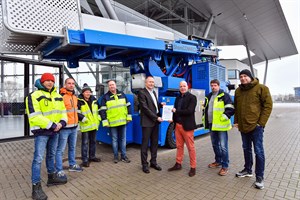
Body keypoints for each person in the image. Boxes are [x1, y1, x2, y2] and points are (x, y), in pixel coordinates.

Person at [26, 73, 68, 200]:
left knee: (51, 155)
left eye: (52, 80)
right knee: (38, 159)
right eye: (47, 80)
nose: (50, 82)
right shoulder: (34, 96)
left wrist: (61, 123)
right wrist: (52, 125)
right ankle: (36, 187)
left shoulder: (57, 96)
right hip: (42, 132)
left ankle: (51, 177)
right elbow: (34, 116)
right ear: (42, 82)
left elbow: (63, 112)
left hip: (55, 131)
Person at [234, 69, 273, 189]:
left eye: (245, 76)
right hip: (243, 126)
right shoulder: (238, 91)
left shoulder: (262, 88)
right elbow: (236, 107)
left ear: (251, 77)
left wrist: (261, 123)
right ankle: (247, 170)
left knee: (258, 151)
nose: (243, 78)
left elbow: (268, 106)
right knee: (246, 149)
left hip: (256, 127)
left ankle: (259, 177)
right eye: (241, 76)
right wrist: (236, 121)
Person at [203, 79, 234, 176]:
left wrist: (224, 116)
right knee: (215, 145)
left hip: (221, 125)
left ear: (219, 86)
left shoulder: (224, 95)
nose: (213, 87)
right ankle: (218, 161)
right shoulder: (208, 96)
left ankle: (225, 166)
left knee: (223, 147)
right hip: (211, 124)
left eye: (215, 85)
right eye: (212, 85)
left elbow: (231, 108)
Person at [167, 81, 197, 177]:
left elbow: (189, 111)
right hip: (178, 126)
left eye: (184, 86)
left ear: (187, 87)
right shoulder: (178, 98)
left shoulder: (192, 97)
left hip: (187, 127)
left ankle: (193, 167)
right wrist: (172, 118)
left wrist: (177, 111)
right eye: (180, 86)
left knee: (190, 148)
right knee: (179, 146)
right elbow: (175, 111)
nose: (182, 88)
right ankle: (178, 164)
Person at [55, 78, 83, 179]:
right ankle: (59, 170)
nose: (71, 85)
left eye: (73, 84)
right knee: (60, 150)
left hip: (74, 127)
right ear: (65, 85)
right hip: (64, 128)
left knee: (72, 147)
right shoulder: (61, 97)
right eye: (69, 83)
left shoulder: (74, 97)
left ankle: (72, 164)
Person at [100, 80, 132, 163]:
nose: (112, 86)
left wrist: (129, 117)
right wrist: (105, 122)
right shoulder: (105, 97)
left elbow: (128, 106)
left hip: (123, 121)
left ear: (116, 85)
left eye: (113, 84)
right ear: (108, 87)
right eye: (110, 85)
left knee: (123, 139)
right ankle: (116, 157)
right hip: (112, 123)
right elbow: (102, 111)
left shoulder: (122, 94)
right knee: (114, 140)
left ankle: (124, 156)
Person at [138, 76, 164, 173]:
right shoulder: (142, 93)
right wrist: (156, 117)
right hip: (147, 122)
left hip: (155, 122)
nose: (151, 84)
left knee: (154, 143)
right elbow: (145, 108)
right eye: (150, 82)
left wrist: (161, 105)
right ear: (145, 83)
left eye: (153, 82)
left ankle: (153, 162)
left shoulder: (153, 92)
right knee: (145, 144)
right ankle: (144, 164)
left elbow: (154, 104)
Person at [78, 84, 101, 167]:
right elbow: (76, 112)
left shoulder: (94, 100)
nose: (88, 93)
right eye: (86, 92)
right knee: (85, 143)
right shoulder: (79, 101)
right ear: (83, 93)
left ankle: (92, 156)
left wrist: (98, 118)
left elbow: (99, 110)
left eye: (89, 92)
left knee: (93, 142)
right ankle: (84, 160)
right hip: (86, 125)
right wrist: (83, 118)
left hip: (94, 125)